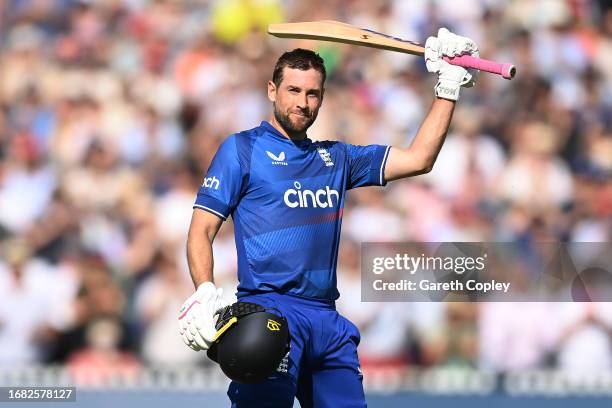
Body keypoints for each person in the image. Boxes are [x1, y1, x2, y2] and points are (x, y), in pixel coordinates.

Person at [178, 28, 479, 407]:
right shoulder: (242, 149)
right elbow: (201, 230)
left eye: (312, 93)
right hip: (271, 313)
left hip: (327, 321)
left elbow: (419, 159)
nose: (302, 103)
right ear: (272, 90)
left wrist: (448, 86)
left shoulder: (337, 158)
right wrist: (204, 290)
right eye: (293, 91)